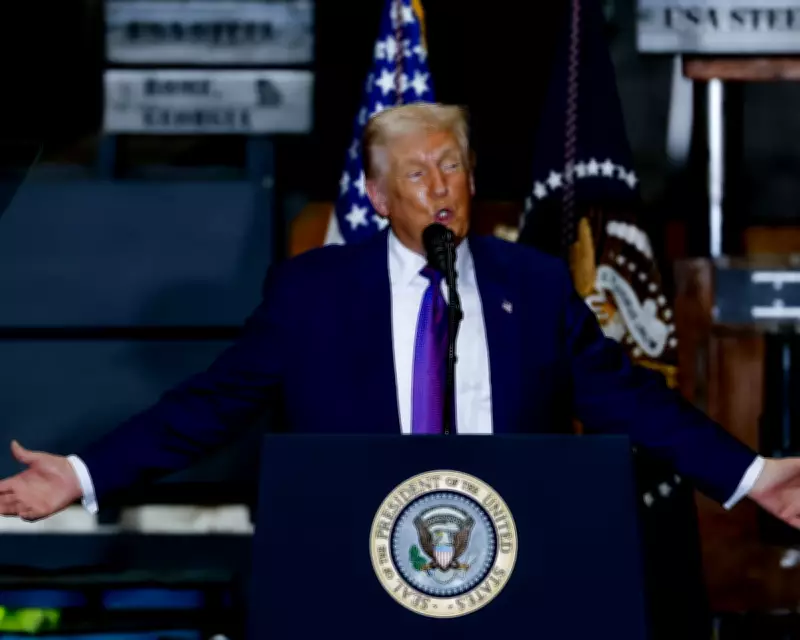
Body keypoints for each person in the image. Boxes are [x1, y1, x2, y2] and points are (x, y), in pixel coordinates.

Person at [2, 102, 800, 528]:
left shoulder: (533, 284)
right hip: (358, 557)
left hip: (513, 557)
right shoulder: (313, 292)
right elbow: (211, 405)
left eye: (451, 165)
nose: (440, 185)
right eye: (416, 173)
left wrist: (752, 476)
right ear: (379, 198)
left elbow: (631, 400)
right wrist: (82, 474)